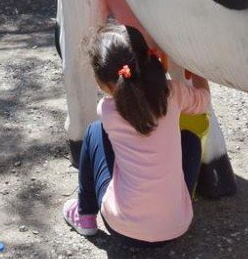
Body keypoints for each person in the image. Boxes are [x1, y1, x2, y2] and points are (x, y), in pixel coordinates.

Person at [61, 24, 211, 245]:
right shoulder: (172, 93)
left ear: (101, 80)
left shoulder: (108, 110)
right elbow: (204, 100)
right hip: (176, 228)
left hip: (123, 229)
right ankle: (174, 206)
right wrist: (196, 68)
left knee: (94, 132)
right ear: (148, 59)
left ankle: (85, 215)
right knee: (189, 139)